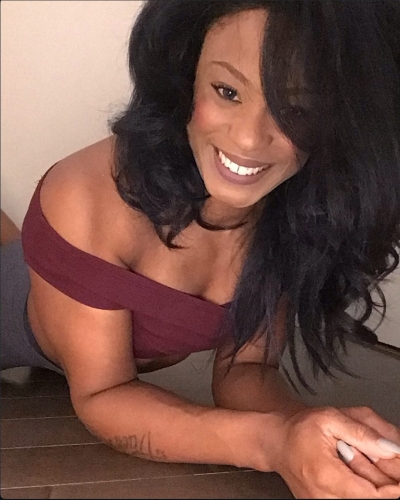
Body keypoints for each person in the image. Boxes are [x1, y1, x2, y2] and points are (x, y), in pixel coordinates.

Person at [1, 0, 400, 497]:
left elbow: (246, 370)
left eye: (296, 110)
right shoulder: (87, 194)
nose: (249, 139)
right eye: (227, 91)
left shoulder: (293, 209)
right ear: (185, 75)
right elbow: (103, 394)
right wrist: (273, 444)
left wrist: (323, 440)